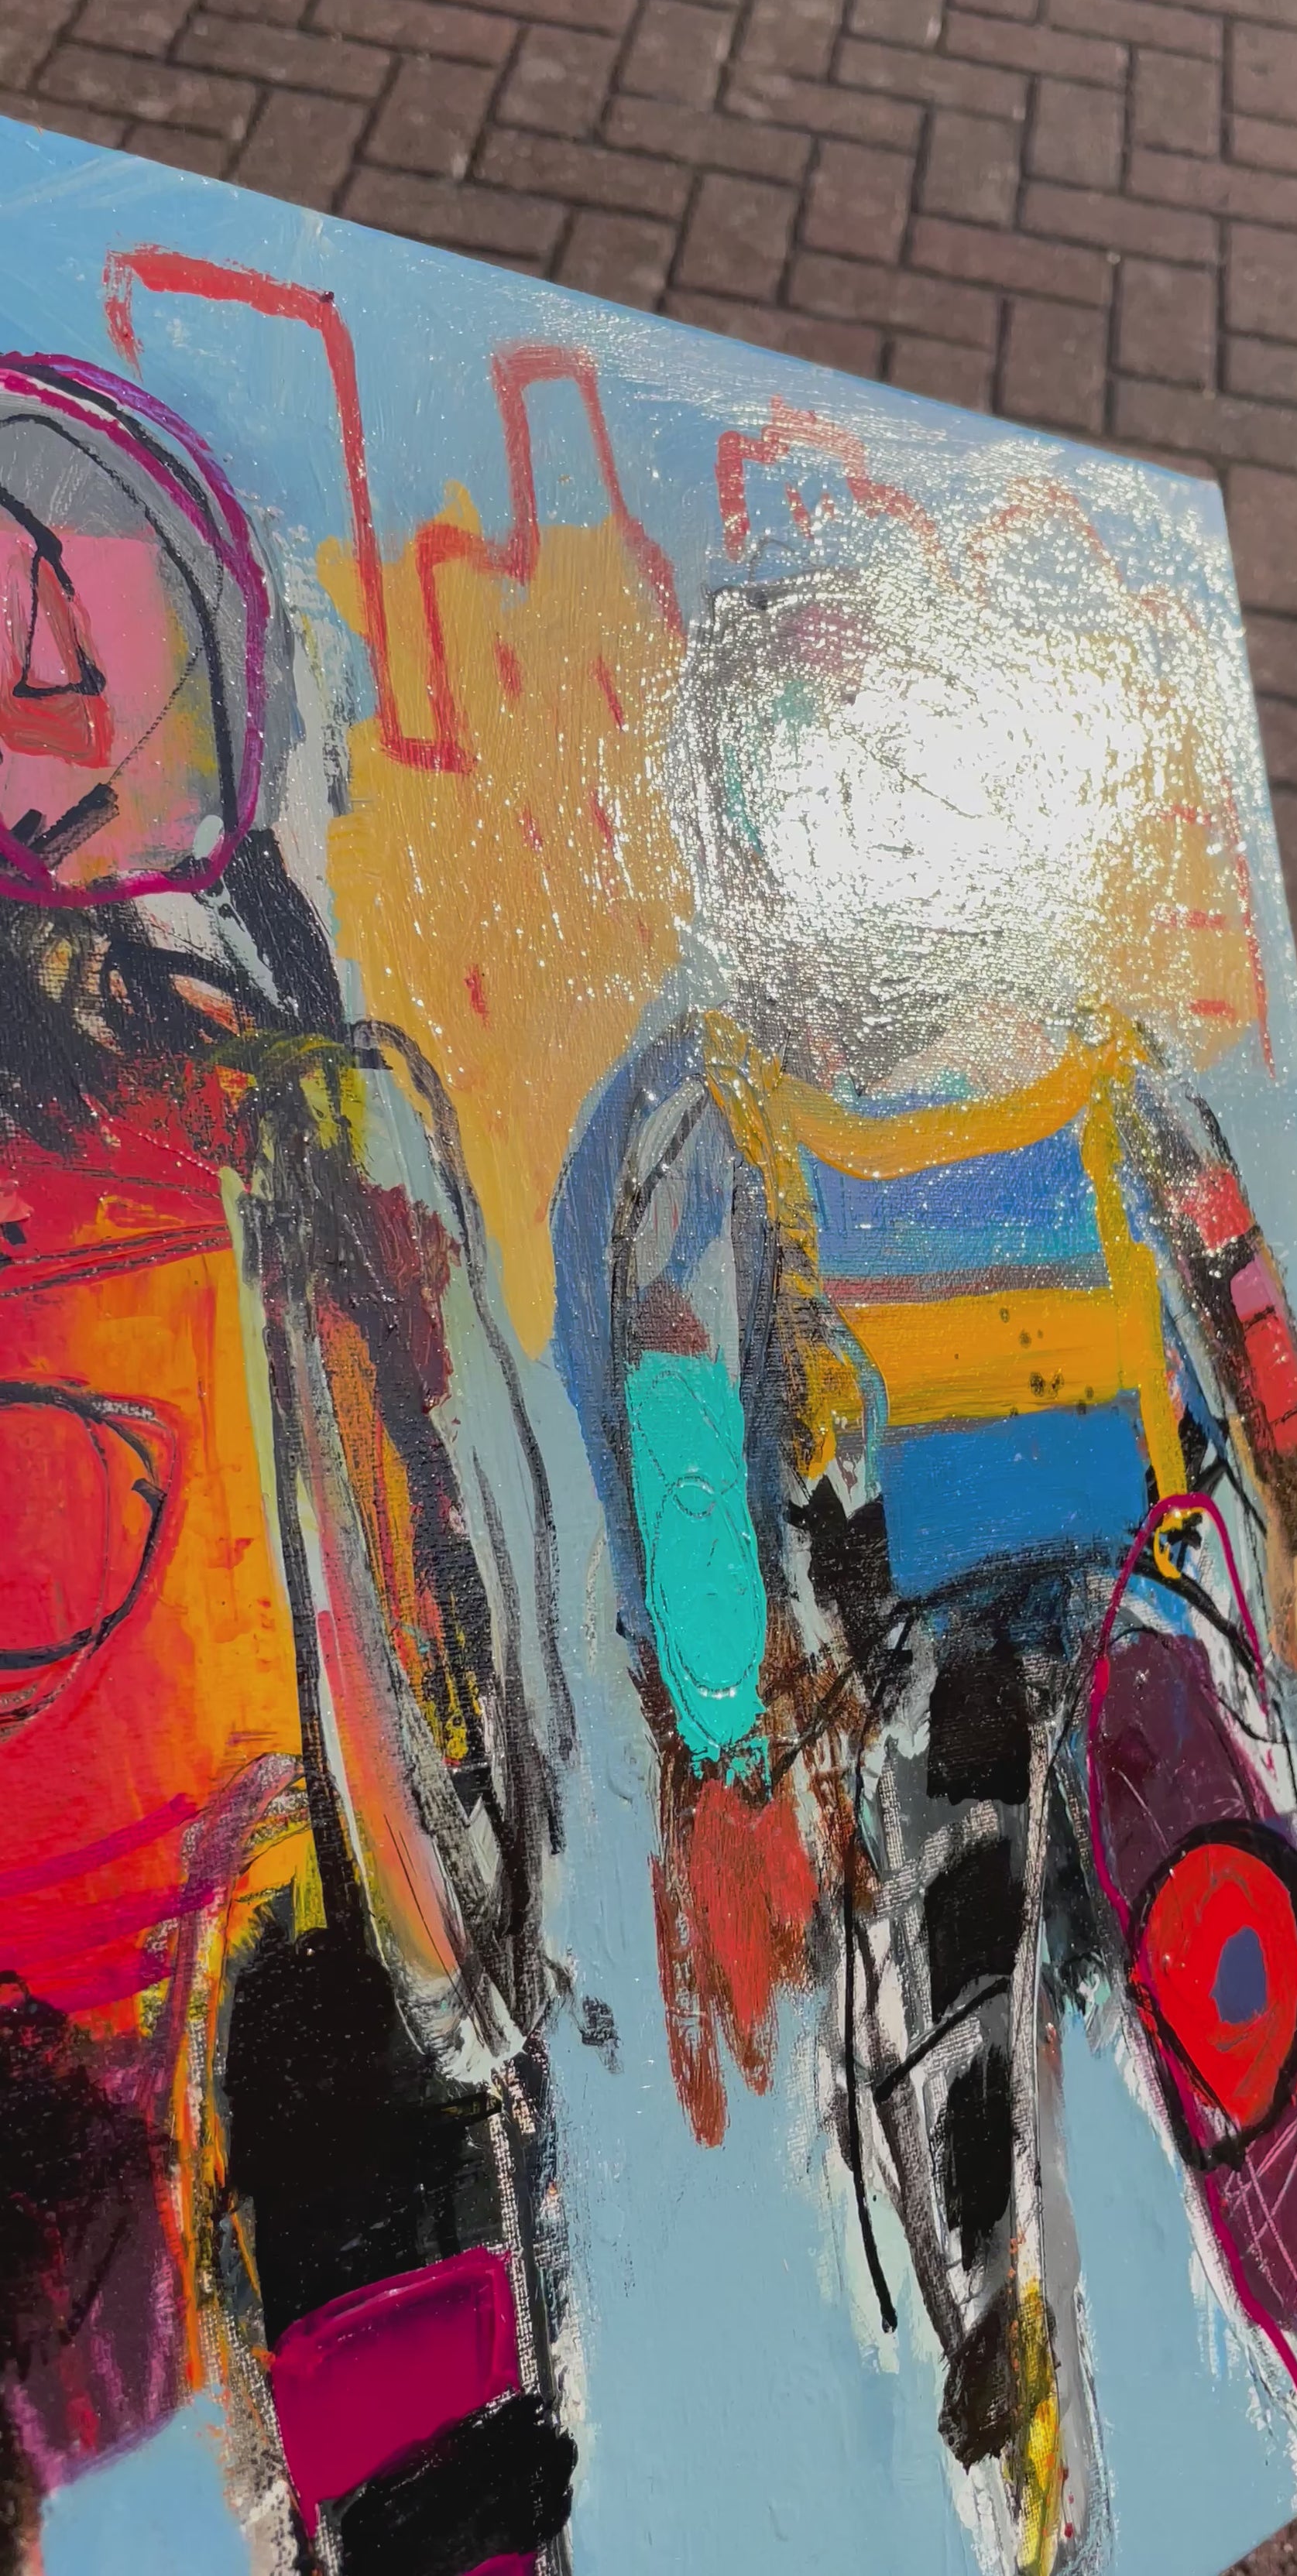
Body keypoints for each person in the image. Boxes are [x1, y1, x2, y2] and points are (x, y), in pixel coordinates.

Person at [553, 461, 1297, 2574]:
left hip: (1146, 1598)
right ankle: (1019, 2491)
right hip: (914, 1668)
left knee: (1233, 1947)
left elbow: (1229, 1262)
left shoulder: (1093, 1056)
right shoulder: (713, 1111)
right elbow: (682, 1427)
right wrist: (728, 1742)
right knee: (959, 2090)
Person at [0, 355, 575, 2576]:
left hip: (277, 1951)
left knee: (400, 2304)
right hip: (265, 1971)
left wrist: (460, 1928)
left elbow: (447, 1569)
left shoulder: (289, 1114)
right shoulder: (293, 1107)